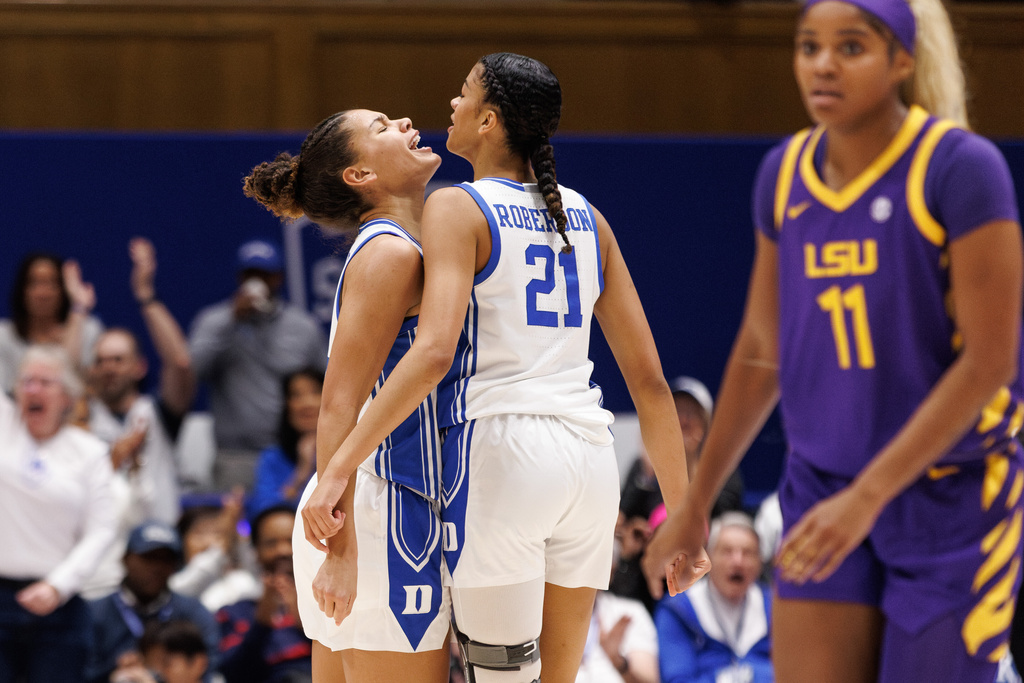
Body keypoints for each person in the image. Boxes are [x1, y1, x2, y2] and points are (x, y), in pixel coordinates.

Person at [644, 0, 1024, 681]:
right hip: (825, 487)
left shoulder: (961, 168)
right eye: (808, 46)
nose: (822, 64)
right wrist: (696, 503)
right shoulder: (784, 175)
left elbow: (991, 362)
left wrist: (869, 496)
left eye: (850, 48)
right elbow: (762, 347)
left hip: (952, 497)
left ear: (902, 61)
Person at [301, 53, 709, 683]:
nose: (450, 107)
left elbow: (434, 354)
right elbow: (652, 387)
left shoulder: (455, 209)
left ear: (489, 120)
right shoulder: (589, 218)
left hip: (504, 453)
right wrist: (682, 517)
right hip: (590, 454)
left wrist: (339, 467)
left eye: (464, 96)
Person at [244, 108, 451, 682]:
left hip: (360, 510)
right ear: (359, 176)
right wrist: (342, 553)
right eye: (382, 126)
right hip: (374, 514)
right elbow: (337, 405)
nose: (405, 121)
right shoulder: (390, 252)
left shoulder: (397, 244)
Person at [0, 344, 117, 682]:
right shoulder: (4, 425)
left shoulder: (89, 452)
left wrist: (58, 585)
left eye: (45, 382)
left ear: (67, 396)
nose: (33, 389)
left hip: (59, 607)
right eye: (27, 381)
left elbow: (101, 530)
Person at [189, 238, 327, 490]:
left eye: (265, 275)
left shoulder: (302, 327)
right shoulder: (215, 321)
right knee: (236, 526)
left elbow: (328, 384)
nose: (257, 282)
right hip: (236, 456)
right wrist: (232, 320)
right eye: (250, 275)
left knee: (295, 523)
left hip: (293, 452)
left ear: (279, 278)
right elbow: (193, 371)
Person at [87, 520, 220, 683]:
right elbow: (76, 672)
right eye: (148, 557)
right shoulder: (93, 614)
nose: (157, 567)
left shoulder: (194, 614)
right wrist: (114, 672)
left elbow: (210, 670)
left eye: (166, 559)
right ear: (125, 559)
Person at [654, 513, 773, 683]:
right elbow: (677, 677)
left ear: (760, 562)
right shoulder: (678, 610)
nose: (738, 561)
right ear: (708, 557)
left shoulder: (775, 607)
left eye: (747, 553)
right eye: (727, 551)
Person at [216, 504, 312, 683]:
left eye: (291, 540)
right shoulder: (234, 612)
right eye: (271, 543)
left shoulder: (333, 604)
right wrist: (261, 623)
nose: (283, 550)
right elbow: (232, 673)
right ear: (255, 552)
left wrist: (306, 621)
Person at [0, 253, 103, 394]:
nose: (43, 293)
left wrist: (78, 308)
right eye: (34, 283)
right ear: (22, 290)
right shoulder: (4, 335)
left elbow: (69, 376)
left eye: (52, 284)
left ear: (63, 290)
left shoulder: (87, 330)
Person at [246, 368, 323, 521]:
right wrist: (301, 473)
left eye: (315, 392)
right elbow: (264, 513)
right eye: (296, 395)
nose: (306, 403)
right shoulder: (272, 458)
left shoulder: (348, 451)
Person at [169, 496, 262, 614]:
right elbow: (195, 580)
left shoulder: (244, 579)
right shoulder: (177, 582)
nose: (209, 542)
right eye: (200, 534)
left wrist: (237, 528)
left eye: (217, 534)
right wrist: (221, 546)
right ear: (181, 540)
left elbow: (256, 568)